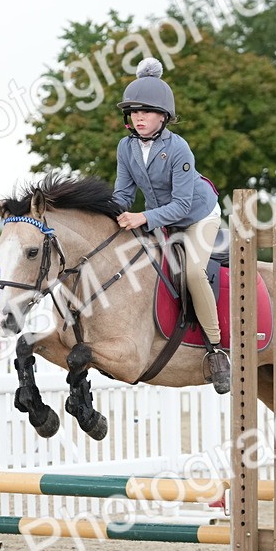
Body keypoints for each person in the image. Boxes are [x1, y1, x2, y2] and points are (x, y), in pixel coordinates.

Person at [111, 58, 229, 393]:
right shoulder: (126, 147)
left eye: (146, 112)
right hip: (161, 217)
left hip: (198, 216)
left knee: (192, 272)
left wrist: (143, 218)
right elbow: (122, 193)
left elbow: (181, 205)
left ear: (163, 116)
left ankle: (217, 350)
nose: (139, 118)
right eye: (134, 112)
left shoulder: (179, 148)